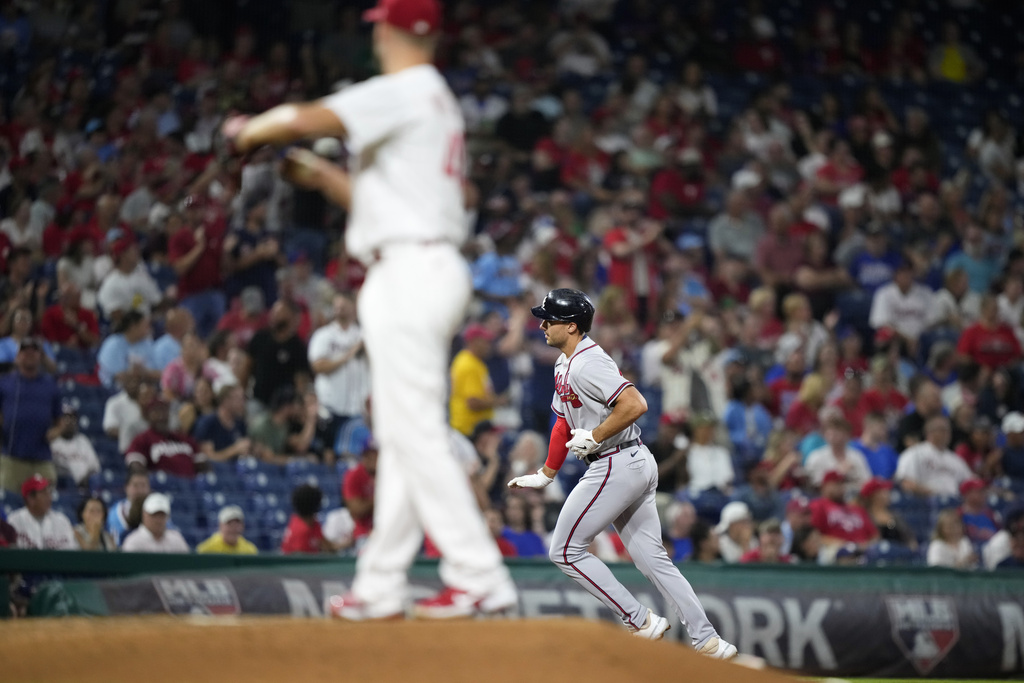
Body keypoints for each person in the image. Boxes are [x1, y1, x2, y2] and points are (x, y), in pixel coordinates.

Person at [227, 0, 517, 621]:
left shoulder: (407, 86)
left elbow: (311, 116)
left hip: (411, 272)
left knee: (413, 430)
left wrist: (249, 130)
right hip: (419, 261)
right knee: (399, 434)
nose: (375, 34)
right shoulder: (433, 99)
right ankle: (381, 585)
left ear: (398, 30)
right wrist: (320, 176)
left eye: (382, 24)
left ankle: (479, 572)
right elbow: (387, 199)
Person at [508, 288, 736, 659]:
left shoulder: (588, 361)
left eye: (549, 318)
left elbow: (636, 404)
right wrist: (547, 474)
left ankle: (640, 620)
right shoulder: (564, 363)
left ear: (571, 326)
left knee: (565, 550)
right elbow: (563, 423)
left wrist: (596, 436)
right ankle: (708, 640)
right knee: (653, 558)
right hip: (629, 460)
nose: (542, 323)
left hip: (614, 461)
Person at [308, 293, 370, 457]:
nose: (339, 310)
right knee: (327, 455)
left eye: (343, 306)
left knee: (354, 456)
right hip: (329, 407)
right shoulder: (324, 335)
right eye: (337, 307)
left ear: (353, 307)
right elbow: (318, 366)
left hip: (357, 408)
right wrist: (348, 355)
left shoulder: (364, 335)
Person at [0, 337, 62, 493]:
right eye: (25, 352)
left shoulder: (50, 385)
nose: (29, 355)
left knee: (48, 499)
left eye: (33, 352)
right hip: (11, 457)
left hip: (41, 456)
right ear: (18, 356)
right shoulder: (5, 382)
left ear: (40, 356)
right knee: (6, 500)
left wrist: (55, 432)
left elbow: (60, 420)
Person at [124, 399, 207, 478]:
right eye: (156, 412)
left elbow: (203, 466)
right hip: (160, 488)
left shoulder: (186, 439)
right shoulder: (141, 439)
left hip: (190, 488)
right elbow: (135, 465)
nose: (161, 416)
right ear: (147, 416)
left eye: (164, 411)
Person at [449, 323, 505, 437]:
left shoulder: (474, 361)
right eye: (485, 341)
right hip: (468, 429)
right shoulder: (468, 364)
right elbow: (473, 402)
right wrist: (498, 401)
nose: (489, 345)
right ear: (474, 342)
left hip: (472, 429)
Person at [896, 416, 974, 497]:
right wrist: (935, 495)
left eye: (948, 430)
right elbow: (906, 483)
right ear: (930, 432)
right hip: (925, 503)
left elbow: (971, 483)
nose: (947, 434)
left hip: (954, 504)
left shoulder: (955, 459)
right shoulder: (914, 453)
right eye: (942, 430)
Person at [6, 475, 77, 549]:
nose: (49, 497)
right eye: (44, 493)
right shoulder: (14, 521)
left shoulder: (62, 521)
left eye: (49, 492)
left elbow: (70, 552)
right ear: (31, 499)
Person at [193, 384, 252, 463]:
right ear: (226, 400)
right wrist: (234, 450)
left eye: (244, 399)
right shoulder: (207, 423)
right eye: (239, 399)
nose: (243, 403)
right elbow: (207, 458)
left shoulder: (240, 424)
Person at [49, 402, 100, 486]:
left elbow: (94, 468)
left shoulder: (83, 440)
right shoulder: (52, 441)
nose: (69, 421)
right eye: (65, 418)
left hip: (84, 486)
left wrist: (85, 480)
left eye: (72, 418)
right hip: (61, 486)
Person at [122, 493, 190, 553]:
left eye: (162, 515)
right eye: (154, 515)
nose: (158, 520)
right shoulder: (134, 542)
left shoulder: (176, 540)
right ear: (144, 514)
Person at [342, 434, 377, 546]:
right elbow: (356, 511)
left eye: (377, 453)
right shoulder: (354, 475)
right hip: (365, 534)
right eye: (370, 454)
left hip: (391, 532)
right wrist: (382, 498)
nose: (375, 458)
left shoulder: (392, 474)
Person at [106, 470, 152, 545]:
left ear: (149, 488)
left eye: (143, 485)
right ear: (126, 487)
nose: (140, 490)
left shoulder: (159, 511)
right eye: (135, 485)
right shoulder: (114, 512)